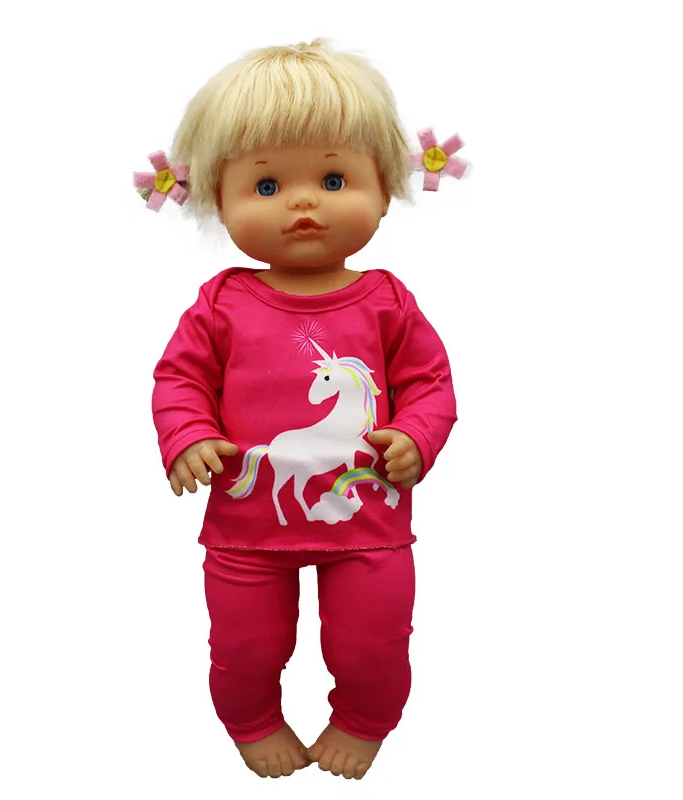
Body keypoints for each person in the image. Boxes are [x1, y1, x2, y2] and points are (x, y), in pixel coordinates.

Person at [140, 39, 460, 780]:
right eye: (266, 184)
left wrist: (416, 435)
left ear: (386, 189)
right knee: (245, 646)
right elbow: (180, 378)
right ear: (217, 196)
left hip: (369, 523)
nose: (304, 201)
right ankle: (251, 719)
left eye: (334, 178)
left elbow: (430, 383)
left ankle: (365, 719)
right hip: (246, 530)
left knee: (374, 643)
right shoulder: (221, 303)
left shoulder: (387, 301)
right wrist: (187, 435)